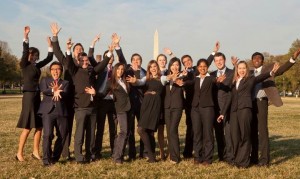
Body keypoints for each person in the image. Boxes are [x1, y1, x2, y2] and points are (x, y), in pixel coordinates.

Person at [250, 49, 300, 166]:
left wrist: (293, 58)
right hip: (250, 104)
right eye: (255, 58)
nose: (257, 60)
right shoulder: (248, 72)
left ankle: (264, 160)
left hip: (261, 103)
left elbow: (282, 69)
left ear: (262, 61)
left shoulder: (268, 70)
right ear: (252, 61)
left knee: (262, 131)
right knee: (252, 131)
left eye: (259, 58)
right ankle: (253, 158)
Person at [227, 61, 279, 168]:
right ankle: (237, 159)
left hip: (245, 109)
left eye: (244, 68)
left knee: (245, 136)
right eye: (240, 68)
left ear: (247, 70)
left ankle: (244, 162)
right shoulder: (234, 81)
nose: (242, 70)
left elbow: (260, 77)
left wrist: (271, 72)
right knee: (235, 136)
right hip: (234, 111)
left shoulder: (250, 79)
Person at [66, 40, 112, 164]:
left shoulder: (92, 71)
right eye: (83, 61)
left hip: (93, 107)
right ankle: (79, 156)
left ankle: (90, 154)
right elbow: (69, 62)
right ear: (79, 61)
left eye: (86, 61)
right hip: (80, 107)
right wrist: (69, 49)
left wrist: (110, 53)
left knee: (91, 134)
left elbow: (101, 66)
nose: (85, 62)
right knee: (80, 134)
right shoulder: (75, 71)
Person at [16, 26, 53, 162]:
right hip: (28, 97)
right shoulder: (24, 65)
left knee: (39, 126)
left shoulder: (37, 66)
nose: (35, 57)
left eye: (36, 55)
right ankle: (19, 153)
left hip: (38, 97)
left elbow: (49, 58)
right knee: (27, 127)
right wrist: (26, 36)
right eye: (32, 55)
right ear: (28, 56)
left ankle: (35, 152)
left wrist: (50, 45)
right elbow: (25, 51)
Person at [88, 33, 126, 159]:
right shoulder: (100, 68)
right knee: (100, 129)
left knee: (113, 129)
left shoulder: (117, 71)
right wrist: (93, 42)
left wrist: (117, 46)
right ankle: (97, 152)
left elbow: (123, 62)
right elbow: (90, 57)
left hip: (114, 102)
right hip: (102, 100)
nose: (110, 58)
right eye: (108, 55)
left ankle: (114, 151)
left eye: (112, 56)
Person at [50, 22, 84, 160]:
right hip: (68, 98)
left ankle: (79, 151)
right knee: (67, 126)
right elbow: (57, 51)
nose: (79, 51)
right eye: (77, 49)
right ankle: (65, 151)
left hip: (82, 99)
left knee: (81, 127)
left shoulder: (85, 64)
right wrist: (55, 36)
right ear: (73, 51)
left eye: (81, 49)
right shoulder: (66, 61)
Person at [127, 60, 169, 163]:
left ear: (157, 68)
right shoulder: (146, 78)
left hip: (155, 106)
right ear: (149, 69)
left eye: (155, 66)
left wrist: (174, 76)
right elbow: (140, 82)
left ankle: (151, 156)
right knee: (145, 130)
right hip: (146, 105)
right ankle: (152, 157)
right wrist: (134, 81)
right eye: (151, 67)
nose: (153, 68)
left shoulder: (162, 78)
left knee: (143, 130)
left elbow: (168, 78)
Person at [191, 59, 226, 166]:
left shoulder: (210, 78)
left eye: (204, 66)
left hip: (207, 109)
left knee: (208, 134)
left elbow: (215, 80)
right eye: (200, 66)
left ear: (207, 67)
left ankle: (208, 158)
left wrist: (218, 80)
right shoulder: (195, 79)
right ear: (197, 68)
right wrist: (181, 82)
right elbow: (187, 83)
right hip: (195, 109)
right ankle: (198, 156)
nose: (202, 68)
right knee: (197, 133)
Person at [38, 62, 69, 166]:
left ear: (61, 71)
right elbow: (44, 90)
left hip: (61, 112)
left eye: (58, 69)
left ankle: (55, 158)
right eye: (53, 69)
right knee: (47, 135)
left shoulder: (65, 83)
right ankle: (46, 160)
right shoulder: (45, 80)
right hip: (48, 112)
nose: (56, 71)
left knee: (63, 135)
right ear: (50, 71)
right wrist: (53, 90)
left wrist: (59, 92)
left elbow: (66, 93)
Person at [207, 51, 235, 163]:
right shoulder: (211, 75)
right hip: (215, 108)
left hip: (228, 107)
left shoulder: (232, 72)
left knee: (228, 133)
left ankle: (230, 156)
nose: (219, 62)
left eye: (221, 60)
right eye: (216, 61)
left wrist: (235, 66)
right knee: (218, 133)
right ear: (214, 62)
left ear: (225, 60)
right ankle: (222, 156)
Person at [104, 62, 131, 164]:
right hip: (120, 109)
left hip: (129, 108)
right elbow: (103, 93)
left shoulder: (125, 80)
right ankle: (117, 157)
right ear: (115, 70)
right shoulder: (111, 82)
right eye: (118, 69)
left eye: (122, 69)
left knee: (127, 132)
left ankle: (119, 154)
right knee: (123, 132)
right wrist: (95, 93)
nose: (120, 71)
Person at [164, 57, 186, 164]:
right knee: (169, 132)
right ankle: (172, 155)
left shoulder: (183, 76)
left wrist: (181, 81)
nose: (175, 67)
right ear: (170, 66)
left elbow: (185, 84)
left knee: (173, 130)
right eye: (173, 65)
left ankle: (176, 157)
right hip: (167, 107)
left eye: (177, 65)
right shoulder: (167, 77)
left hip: (177, 107)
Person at [156, 54, 168, 160]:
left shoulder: (170, 72)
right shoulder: (155, 73)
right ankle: (161, 151)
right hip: (158, 105)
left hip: (169, 104)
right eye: (160, 60)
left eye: (164, 60)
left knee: (170, 129)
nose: (162, 61)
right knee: (160, 129)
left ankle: (170, 151)